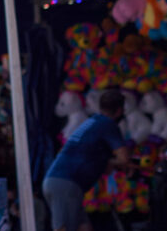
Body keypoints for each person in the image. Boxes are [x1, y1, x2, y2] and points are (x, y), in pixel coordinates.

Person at [42, 90, 130, 231]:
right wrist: (111, 163)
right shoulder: (108, 124)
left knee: (84, 227)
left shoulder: (91, 122)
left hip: (56, 181)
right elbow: (124, 158)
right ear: (120, 111)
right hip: (67, 184)